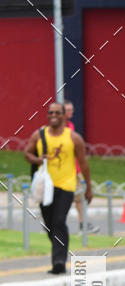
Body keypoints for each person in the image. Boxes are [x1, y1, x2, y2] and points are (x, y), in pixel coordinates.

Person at [24, 102, 92, 274]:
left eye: (57, 112)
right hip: (45, 187)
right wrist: (38, 160)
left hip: (66, 186)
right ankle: (58, 249)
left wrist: (88, 188)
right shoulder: (39, 135)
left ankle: (59, 261)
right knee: (49, 225)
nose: (53, 115)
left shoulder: (74, 138)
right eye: (50, 112)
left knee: (59, 221)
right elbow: (27, 153)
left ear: (64, 115)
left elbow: (84, 164)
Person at [64, 99, 98, 234]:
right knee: (64, 198)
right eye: (68, 110)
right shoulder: (58, 129)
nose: (71, 112)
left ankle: (83, 224)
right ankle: (53, 223)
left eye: (71, 109)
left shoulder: (70, 125)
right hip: (64, 170)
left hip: (75, 169)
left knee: (79, 197)